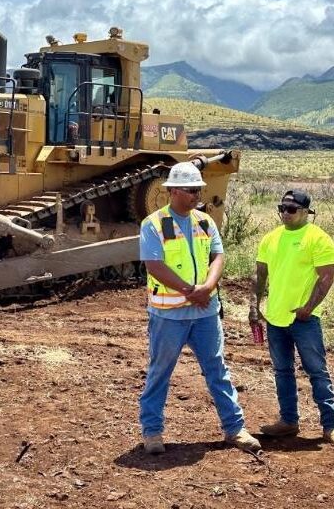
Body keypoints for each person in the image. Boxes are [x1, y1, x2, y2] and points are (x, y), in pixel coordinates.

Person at [139, 162, 261, 454]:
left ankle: (235, 429)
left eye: (198, 189)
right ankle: (152, 432)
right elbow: (154, 265)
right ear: (173, 191)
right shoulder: (153, 224)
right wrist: (190, 291)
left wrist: (206, 288)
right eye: (191, 190)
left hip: (205, 312)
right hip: (169, 314)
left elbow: (217, 256)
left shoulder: (205, 222)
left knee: (217, 369)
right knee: (160, 372)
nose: (197, 195)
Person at [249, 190, 334, 443]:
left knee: (317, 372)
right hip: (275, 318)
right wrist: (254, 306)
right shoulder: (271, 238)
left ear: (306, 212)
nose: (285, 213)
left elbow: (327, 276)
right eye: (282, 208)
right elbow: (259, 275)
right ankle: (288, 421)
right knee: (282, 371)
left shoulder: (317, 238)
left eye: (292, 209)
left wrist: (308, 308)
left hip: (304, 320)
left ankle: (330, 424)